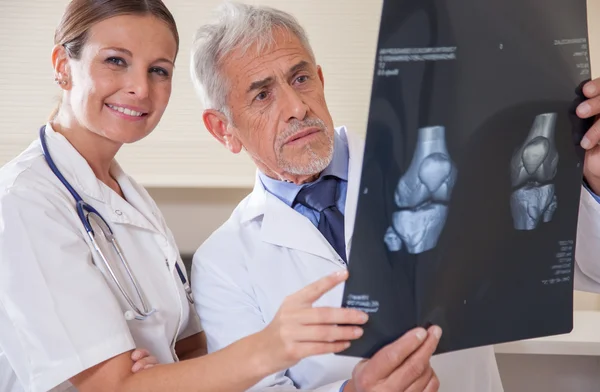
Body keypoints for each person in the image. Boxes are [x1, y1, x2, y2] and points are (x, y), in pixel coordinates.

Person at [190, 2, 600, 392]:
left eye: (300, 79)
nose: (297, 106)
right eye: (262, 95)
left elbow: (589, 272)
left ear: (320, 78)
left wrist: (596, 181)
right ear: (222, 129)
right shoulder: (223, 263)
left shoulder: (460, 161)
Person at [0, 1, 378, 391]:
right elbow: (111, 387)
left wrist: (161, 372)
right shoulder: (24, 201)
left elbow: (192, 350)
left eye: (158, 70)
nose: (140, 88)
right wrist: (271, 346)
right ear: (63, 65)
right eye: (115, 61)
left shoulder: (128, 198)